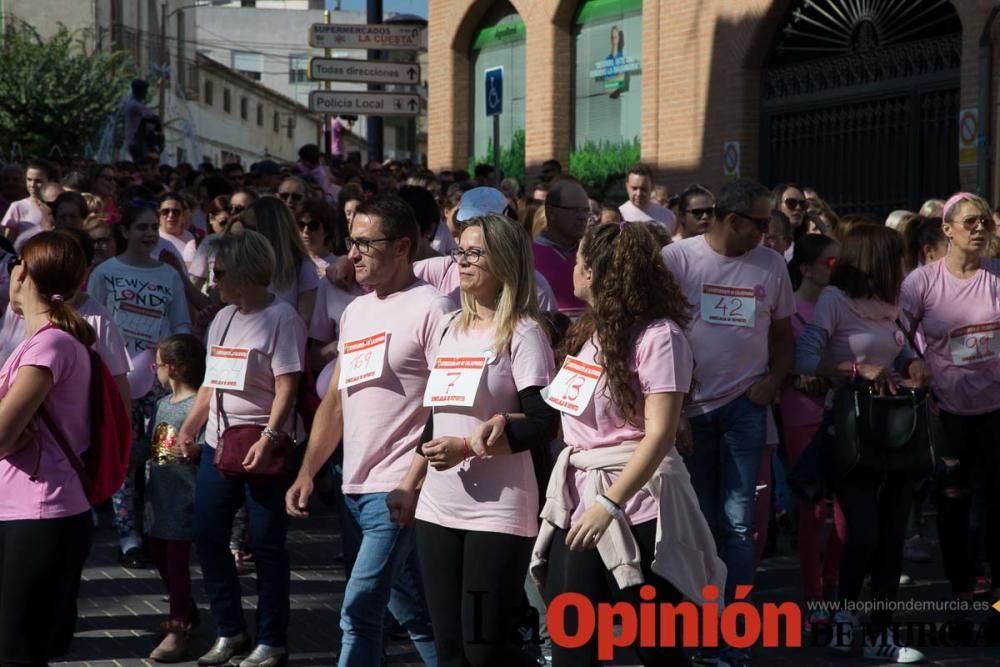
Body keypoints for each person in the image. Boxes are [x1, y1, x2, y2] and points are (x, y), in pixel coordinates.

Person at [531, 221, 725, 666]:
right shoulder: (586, 333)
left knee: (659, 651)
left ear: (596, 273)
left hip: (640, 509)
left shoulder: (661, 337)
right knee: (571, 648)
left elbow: (660, 434)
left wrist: (611, 504)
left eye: (579, 259)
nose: (572, 267)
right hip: (580, 500)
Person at [287, 195, 448, 667]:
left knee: (358, 613)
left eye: (364, 243)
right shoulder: (356, 312)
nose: (351, 254)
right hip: (352, 489)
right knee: (412, 611)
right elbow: (336, 401)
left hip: (395, 491)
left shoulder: (433, 308)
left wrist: (411, 481)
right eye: (350, 242)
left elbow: (445, 405)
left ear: (402, 247)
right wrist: (307, 472)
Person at [395, 213, 559, 664]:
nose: (461, 262)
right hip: (438, 508)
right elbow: (440, 416)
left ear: (504, 261)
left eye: (474, 253)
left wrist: (470, 446)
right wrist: (410, 483)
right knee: (449, 651)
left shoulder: (523, 332)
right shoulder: (449, 328)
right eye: (459, 251)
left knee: (484, 649)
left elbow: (544, 421)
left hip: (498, 511)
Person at [660, 178, 795, 666]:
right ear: (733, 220)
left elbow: (784, 336)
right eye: (761, 223)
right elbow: (655, 332)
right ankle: (695, 629)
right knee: (696, 525)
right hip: (688, 412)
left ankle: (733, 634)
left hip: (745, 407)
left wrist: (772, 383)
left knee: (738, 526)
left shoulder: (771, 264)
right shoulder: (677, 259)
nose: (769, 231)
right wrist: (669, 407)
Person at [795, 224, 931, 663]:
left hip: (898, 430)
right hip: (851, 432)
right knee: (864, 534)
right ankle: (845, 615)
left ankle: (880, 632)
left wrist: (914, 367)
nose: (903, 266)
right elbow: (805, 358)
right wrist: (857, 370)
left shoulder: (892, 306)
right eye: (897, 258)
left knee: (892, 536)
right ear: (876, 259)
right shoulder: (835, 301)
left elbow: (903, 353)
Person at [176, 230, 306, 667]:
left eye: (222, 272)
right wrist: (190, 428)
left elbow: (288, 386)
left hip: (264, 446)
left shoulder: (282, 317)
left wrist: (269, 439)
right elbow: (211, 382)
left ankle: (273, 638)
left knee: (267, 545)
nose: (214, 281)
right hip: (220, 444)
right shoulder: (222, 318)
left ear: (248, 272)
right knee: (209, 535)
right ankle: (230, 629)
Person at [900, 192, 1000, 627]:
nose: (980, 229)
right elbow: (897, 334)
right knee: (953, 502)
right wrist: (912, 359)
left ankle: (994, 599)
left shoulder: (998, 276)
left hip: (996, 408)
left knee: (994, 505)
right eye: (971, 222)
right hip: (946, 410)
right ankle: (961, 594)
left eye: (986, 224)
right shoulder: (921, 283)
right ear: (947, 229)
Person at [0, 231, 95, 664]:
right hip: (25, 508)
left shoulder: (50, 344)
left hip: (41, 511)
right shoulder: (37, 342)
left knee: (20, 651)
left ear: (24, 273)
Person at [87, 200, 192, 567]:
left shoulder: (168, 276)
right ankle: (128, 535)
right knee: (124, 460)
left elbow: (181, 326)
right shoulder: (106, 273)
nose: (149, 234)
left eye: (152, 228)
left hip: (161, 386)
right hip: (118, 384)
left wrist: (175, 364)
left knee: (161, 458)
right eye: (141, 227)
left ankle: (160, 528)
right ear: (125, 231)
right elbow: (92, 326)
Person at [781, 234, 844, 631]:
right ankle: (813, 598)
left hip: (841, 413)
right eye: (831, 263)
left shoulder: (841, 304)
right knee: (812, 508)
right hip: (801, 413)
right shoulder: (786, 309)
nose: (838, 269)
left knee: (845, 508)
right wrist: (797, 375)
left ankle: (834, 584)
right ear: (806, 268)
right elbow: (773, 356)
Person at [144, 334, 206, 663]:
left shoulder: (199, 405)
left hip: (185, 498)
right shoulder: (161, 404)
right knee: (159, 556)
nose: (154, 370)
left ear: (174, 369)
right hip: (158, 498)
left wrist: (197, 449)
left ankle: (179, 628)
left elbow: (208, 446)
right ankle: (187, 609)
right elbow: (149, 446)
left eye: (158, 365)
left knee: (177, 565)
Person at [243, 197, 318, 325]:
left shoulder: (303, 268)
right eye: (244, 227)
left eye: (252, 229)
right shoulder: (241, 264)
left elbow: (303, 323)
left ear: (270, 230)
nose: (245, 234)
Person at [537, 180, 590, 317]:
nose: (583, 217)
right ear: (552, 212)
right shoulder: (528, 255)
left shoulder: (592, 254)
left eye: (586, 211)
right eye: (575, 210)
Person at [619, 163, 676, 234]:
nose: (638, 193)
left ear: (652, 187)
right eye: (634, 188)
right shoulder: (619, 214)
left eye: (643, 189)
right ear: (627, 186)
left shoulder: (667, 216)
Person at [1, 160, 49, 242]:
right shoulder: (17, 206)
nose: (32, 185)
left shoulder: (57, 205)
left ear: (48, 180)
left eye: (38, 181)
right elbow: (8, 244)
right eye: (29, 180)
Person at [125, 79, 162, 163]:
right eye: (144, 90)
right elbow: (153, 118)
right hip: (138, 142)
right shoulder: (136, 105)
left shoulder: (132, 103)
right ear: (139, 90)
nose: (145, 92)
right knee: (146, 163)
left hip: (135, 141)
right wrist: (157, 122)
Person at [298, 198, 339, 274]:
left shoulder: (339, 266)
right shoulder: (294, 263)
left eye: (313, 226)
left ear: (326, 230)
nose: (306, 230)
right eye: (301, 225)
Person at [159, 193, 197, 268]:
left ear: (183, 214)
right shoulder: (154, 237)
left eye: (176, 211)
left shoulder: (189, 236)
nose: (171, 215)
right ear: (158, 214)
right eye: (165, 211)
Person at [772, 183, 808, 261]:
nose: (798, 208)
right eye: (791, 203)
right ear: (777, 204)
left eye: (803, 204)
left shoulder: (804, 244)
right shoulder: (762, 239)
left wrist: (822, 226)